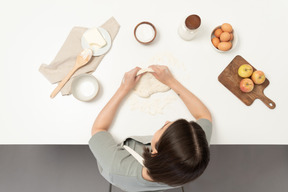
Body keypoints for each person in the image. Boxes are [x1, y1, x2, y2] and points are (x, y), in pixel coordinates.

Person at [89, 65, 212, 192]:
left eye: (163, 127)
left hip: (118, 174)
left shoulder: (115, 165)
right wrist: (171, 82)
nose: (166, 121)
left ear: (154, 152)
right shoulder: (194, 154)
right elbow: (204, 116)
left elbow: (98, 129)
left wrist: (124, 88)